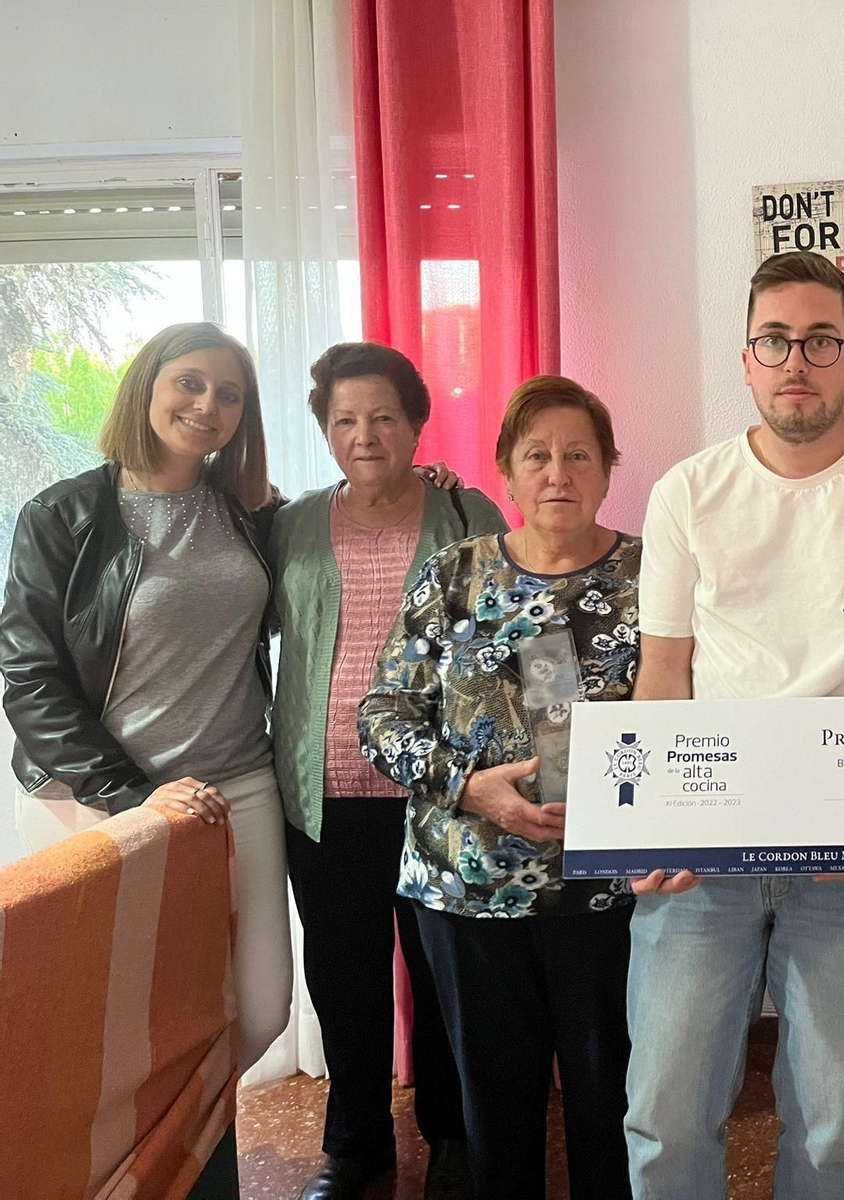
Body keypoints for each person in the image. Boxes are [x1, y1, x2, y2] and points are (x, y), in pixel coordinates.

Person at [624, 249, 844, 1200]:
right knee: (664, 1114)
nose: (797, 361)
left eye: (821, 341)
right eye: (775, 340)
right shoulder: (686, 494)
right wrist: (651, 826)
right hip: (705, 849)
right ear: (745, 360)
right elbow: (664, 672)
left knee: (832, 1126)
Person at [358, 375, 638, 1200]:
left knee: (612, 1104)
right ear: (506, 475)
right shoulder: (454, 574)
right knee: (495, 1113)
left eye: (578, 454)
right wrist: (467, 785)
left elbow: (695, 715)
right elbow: (382, 714)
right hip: (467, 889)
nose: (559, 472)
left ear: (608, 468)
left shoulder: (652, 575)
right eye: (537, 456)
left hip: (610, 892)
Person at [0, 323, 293, 1076]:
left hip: (240, 784)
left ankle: (187, 1145)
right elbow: (29, 675)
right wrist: (131, 795)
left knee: (261, 1007)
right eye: (189, 383)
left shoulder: (248, 513)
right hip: (101, 793)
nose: (207, 405)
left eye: (229, 394)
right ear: (147, 387)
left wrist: (423, 484)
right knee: (114, 1015)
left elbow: (341, 535)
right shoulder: (64, 514)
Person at [272, 342, 507, 1200]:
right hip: (322, 795)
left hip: (440, 795)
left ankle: (450, 1137)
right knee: (343, 975)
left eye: (381, 417)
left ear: (415, 425)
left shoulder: (465, 511)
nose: (363, 434)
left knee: (446, 976)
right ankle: (357, 1142)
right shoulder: (289, 525)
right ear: (325, 432)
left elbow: (517, 630)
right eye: (343, 420)